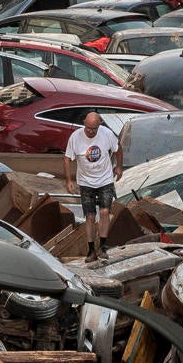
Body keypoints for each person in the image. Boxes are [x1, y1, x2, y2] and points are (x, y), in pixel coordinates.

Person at [62, 111, 122, 260]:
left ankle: (102, 246)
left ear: (99, 126)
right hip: (85, 182)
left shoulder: (106, 134)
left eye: (93, 129)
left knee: (104, 212)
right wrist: (69, 180)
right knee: (90, 216)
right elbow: (67, 159)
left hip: (105, 180)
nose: (90, 132)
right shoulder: (75, 137)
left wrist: (119, 166)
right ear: (84, 123)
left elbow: (118, 148)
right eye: (88, 128)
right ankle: (91, 250)